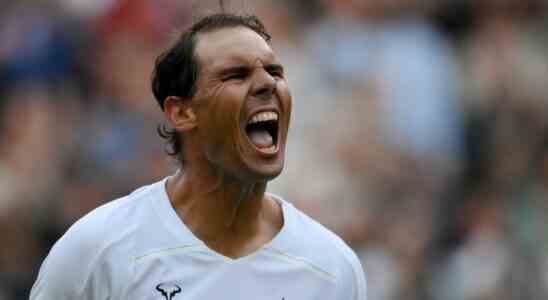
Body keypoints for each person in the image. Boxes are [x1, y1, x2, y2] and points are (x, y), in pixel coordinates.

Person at [29, 13, 367, 300]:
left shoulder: (333, 268)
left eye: (275, 72)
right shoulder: (96, 252)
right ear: (181, 112)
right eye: (235, 74)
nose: (268, 84)